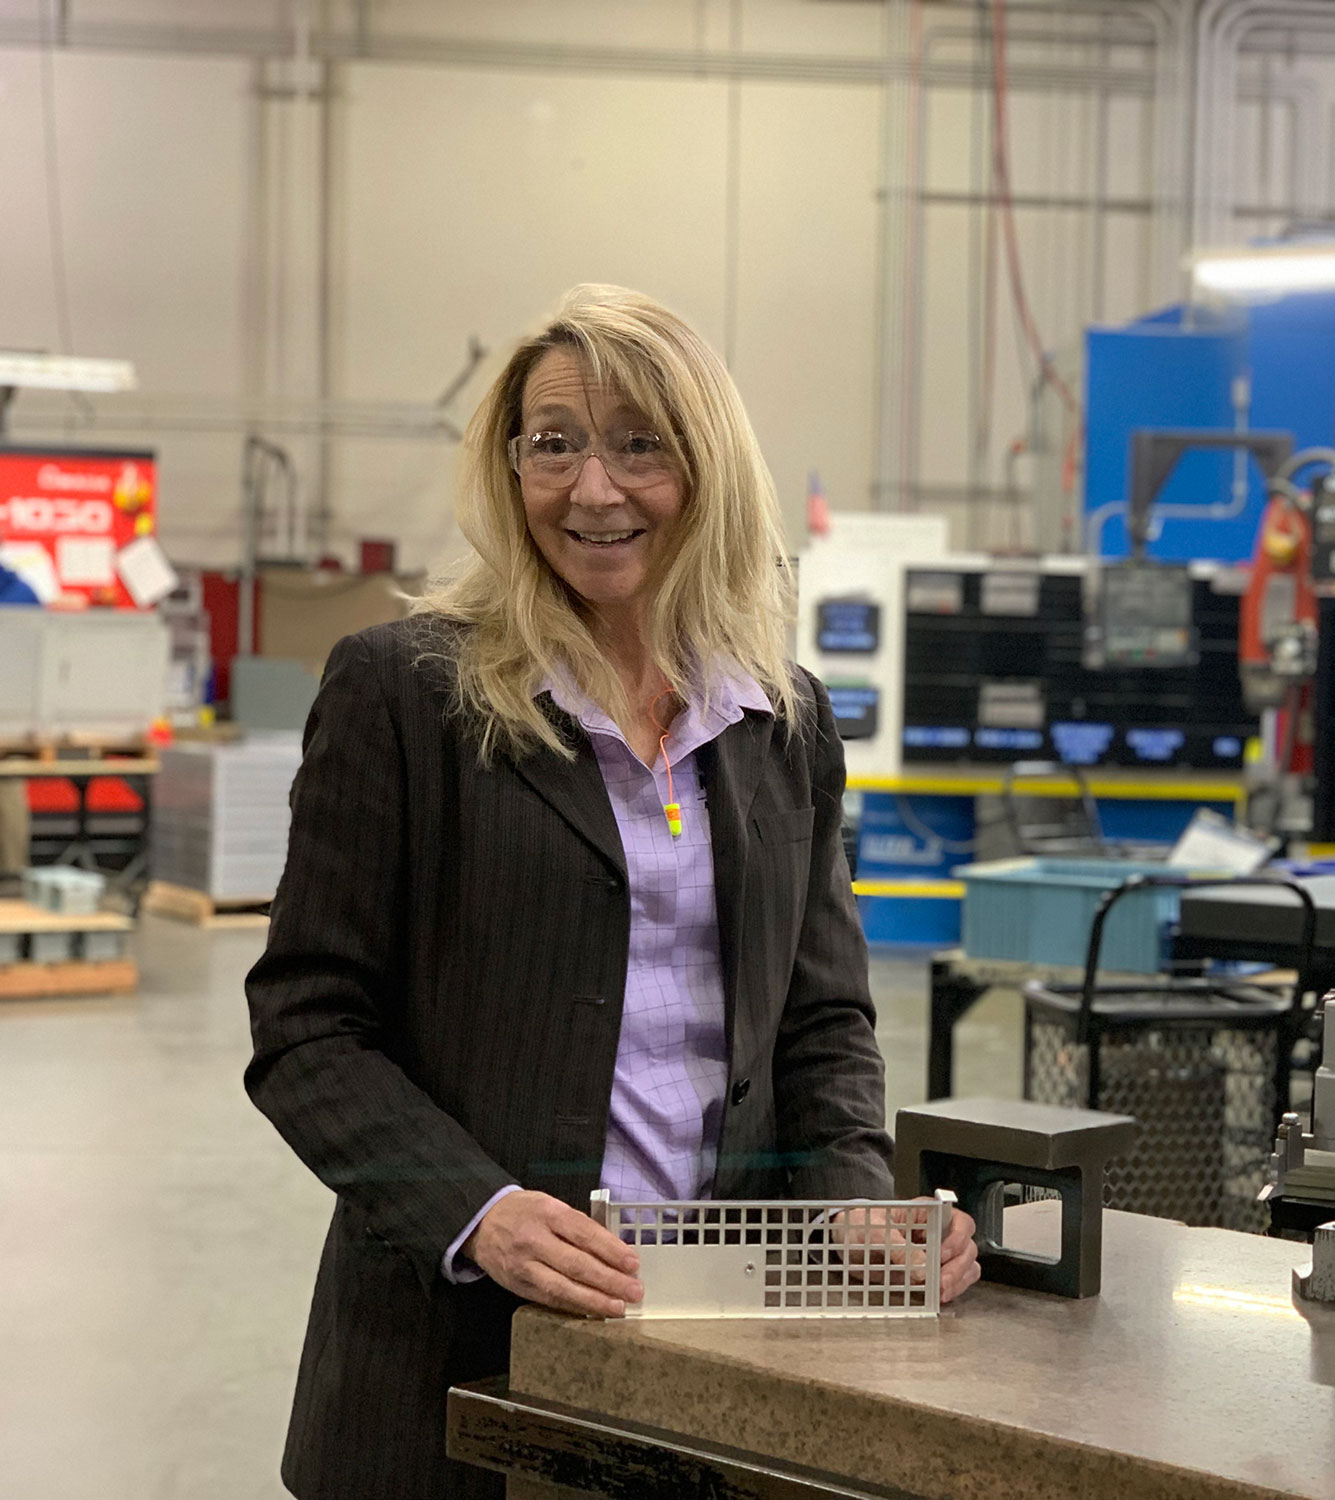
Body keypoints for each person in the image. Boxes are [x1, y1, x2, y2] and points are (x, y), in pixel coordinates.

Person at [244, 284, 979, 1500]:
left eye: (641, 444)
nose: (594, 488)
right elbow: (309, 1028)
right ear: (509, 465)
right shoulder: (402, 693)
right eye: (554, 444)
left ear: (707, 468)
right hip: (450, 1354)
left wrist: (852, 1206)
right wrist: (477, 1212)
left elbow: (822, 1021)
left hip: (714, 1352)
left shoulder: (777, 718)